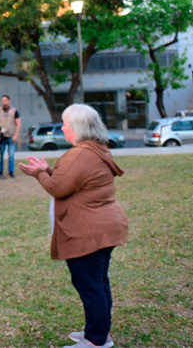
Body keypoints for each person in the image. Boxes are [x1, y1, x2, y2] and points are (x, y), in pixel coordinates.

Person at [18, 104, 128, 348]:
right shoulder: (94, 149)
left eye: (66, 124)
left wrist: (39, 174)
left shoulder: (81, 154)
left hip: (89, 232)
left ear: (77, 127)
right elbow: (70, 181)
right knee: (97, 282)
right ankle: (99, 332)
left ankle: (96, 340)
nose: (63, 128)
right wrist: (46, 170)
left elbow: (58, 187)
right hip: (103, 228)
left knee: (90, 285)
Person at [0, 95, 21, 179]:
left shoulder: (14, 111)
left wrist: (16, 135)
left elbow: (18, 124)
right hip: (2, 137)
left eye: (5, 100)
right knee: (0, 156)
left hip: (11, 136)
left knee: (11, 155)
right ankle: (0, 172)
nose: (3, 102)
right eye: (2, 100)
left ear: (9, 101)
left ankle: (11, 172)